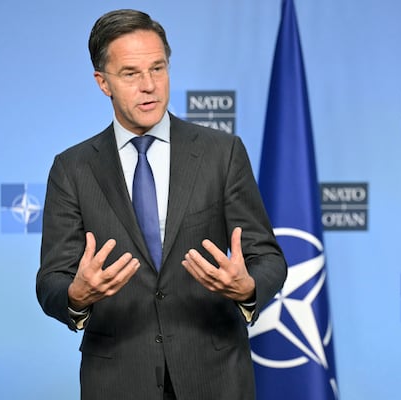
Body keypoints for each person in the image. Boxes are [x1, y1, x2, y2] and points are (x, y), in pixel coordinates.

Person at [36, 9, 287, 400]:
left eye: (158, 68)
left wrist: (248, 287)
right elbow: (51, 280)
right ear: (103, 83)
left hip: (215, 377)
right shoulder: (72, 169)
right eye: (131, 74)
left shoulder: (222, 154)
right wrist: (76, 296)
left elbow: (269, 257)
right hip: (118, 379)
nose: (149, 85)